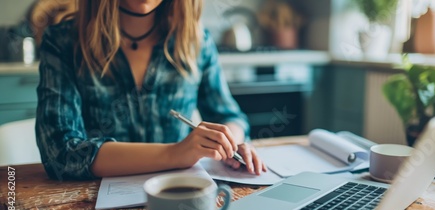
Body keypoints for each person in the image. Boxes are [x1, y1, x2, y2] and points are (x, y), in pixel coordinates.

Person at [35, 0, 266, 180]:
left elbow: (228, 116)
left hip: (180, 194)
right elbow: (60, 153)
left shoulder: (196, 41)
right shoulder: (62, 42)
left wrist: (228, 142)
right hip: (88, 205)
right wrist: (175, 154)